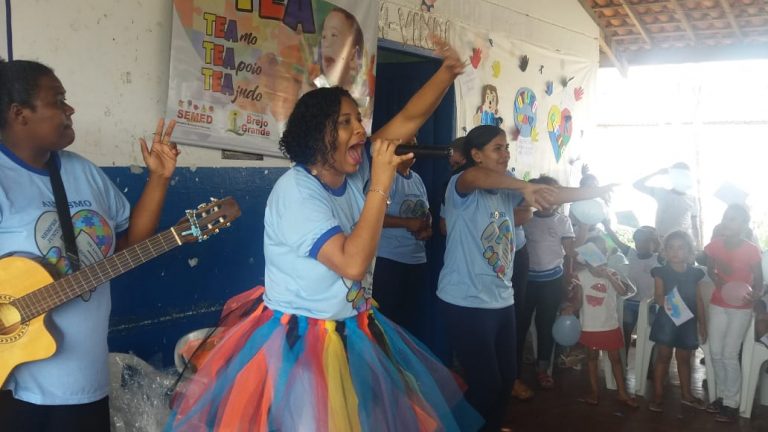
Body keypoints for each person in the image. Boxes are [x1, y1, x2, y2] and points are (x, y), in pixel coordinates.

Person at [166, 39, 484, 431]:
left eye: (358, 119)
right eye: (346, 122)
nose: (361, 130)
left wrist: (447, 72)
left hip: (353, 326)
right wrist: (381, 183)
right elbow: (352, 263)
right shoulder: (297, 194)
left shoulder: (352, 172)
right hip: (302, 341)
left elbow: (407, 119)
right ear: (318, 135)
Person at [0, 60, 179, 432]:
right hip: (15, 390)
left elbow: (129, 248)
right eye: (58, 101)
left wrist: (159, 178)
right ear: (19, 114)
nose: (70, 109)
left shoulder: (83, 172)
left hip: (87, 383)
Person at [438, 125, 613, 430]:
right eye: (497, 148)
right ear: (476, 155)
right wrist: (523, 187)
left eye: (506, 147)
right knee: (486, 384)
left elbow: (553, 193)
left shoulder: (508, 187)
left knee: (506, 380)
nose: (505, 154)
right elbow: (475, 177)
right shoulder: (461, 183)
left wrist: (595, 192)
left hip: (501, 299)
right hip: (466, 301)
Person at [703, 204, 763, 422]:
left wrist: (755, 295)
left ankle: (731, 402)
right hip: (718, 304)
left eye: (733, 219)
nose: (727, 222)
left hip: (741, 308)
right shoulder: (714, 245)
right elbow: (709, 268)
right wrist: (716, 278)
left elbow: (759, 281)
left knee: (729, 354)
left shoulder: (751, 250)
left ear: (744, 226)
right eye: (725, 217)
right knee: (715, 352)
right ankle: (721, 395)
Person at [562, 236, 638, 408]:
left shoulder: (612, 274)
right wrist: (571, 308)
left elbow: (623, 292)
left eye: (602, 251)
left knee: (615, 359)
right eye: (594, 252)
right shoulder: (581, 276)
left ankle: (622, 392)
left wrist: (609, 277)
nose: (599, 255)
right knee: (591, 358)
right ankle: (594, 391)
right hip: (589, 326)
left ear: (606, 254)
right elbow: (578, 301)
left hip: (609, 325)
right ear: (586, 256)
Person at [518, 175, 576, 391]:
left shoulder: (563, 221)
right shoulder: (525, 217)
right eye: (543, 193)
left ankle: (543, 368)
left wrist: (571, 274)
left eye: (553, 194)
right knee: (520, 325)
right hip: (526, 281)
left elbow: (570, 251)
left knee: (546, 325)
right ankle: (514, 371)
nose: (549, 199)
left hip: (551, 281)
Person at [372, 136, 432, 339]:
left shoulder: (417, 179)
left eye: (416, 144)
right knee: (388, 321)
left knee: (411, 319)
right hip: (390, 259)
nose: (414, 149)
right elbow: (373, 215)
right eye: (409, 144)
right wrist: (407, 223)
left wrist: (426, 227)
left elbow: (425, 211)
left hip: (416, 259)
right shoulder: (388, 178)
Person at [647, 231, 707, 412]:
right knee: (663, 357)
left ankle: (686, 394)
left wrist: (702, 324)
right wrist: (672, 306)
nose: (675, 251)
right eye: (671, 247)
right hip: (667, 321)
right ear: (665, 251)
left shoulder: (695, 274)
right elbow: (658, 296)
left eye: (680, 248)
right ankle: (658, 395)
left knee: (684, 358)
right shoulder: (660, 272)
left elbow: (698, 300)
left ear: (689, 251)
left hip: (687, 323)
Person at [603, 222, 661, 353]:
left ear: (654, 243)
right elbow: (616, 241)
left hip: (650, 305)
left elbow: (665, 248)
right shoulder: (631, 254)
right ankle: (624, 360)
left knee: (650, 335)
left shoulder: (659, 259)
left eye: (646, 241)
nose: (641, 244)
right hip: (630, 303)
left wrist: (657, 239)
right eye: (638, 241)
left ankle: (649, 362)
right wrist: (606, 226)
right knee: (626, 331)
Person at [633, 163, 700, 248]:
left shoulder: (693, 199)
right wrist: (657, 173)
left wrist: (697, 245)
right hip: (662, 243)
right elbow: (637, 185)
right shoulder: (661, 193)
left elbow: (695, 226)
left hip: (682, 244)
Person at [313, 7, 364, 92]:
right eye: (324, 36)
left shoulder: (360, 95)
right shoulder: (315, 89)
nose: (326, 43)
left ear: (353, 57)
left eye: (334, 35)